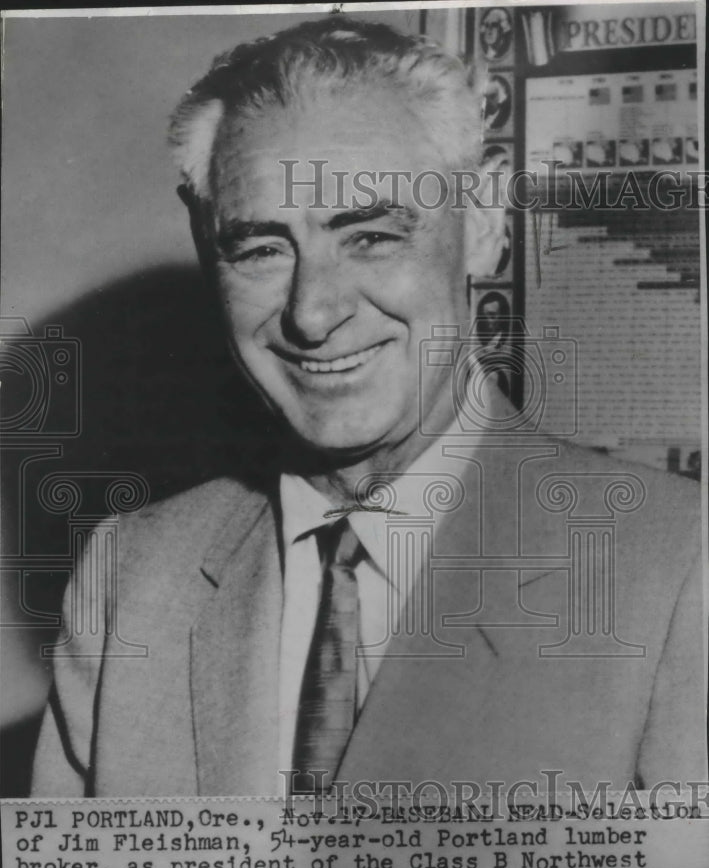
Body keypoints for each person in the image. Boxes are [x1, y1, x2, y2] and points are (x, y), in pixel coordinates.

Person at [31, 17, 705, 798]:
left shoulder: (677, 567)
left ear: (483, 221)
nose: (313, 314)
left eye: (371, 237)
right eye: (260, 250)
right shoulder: (132, 576)